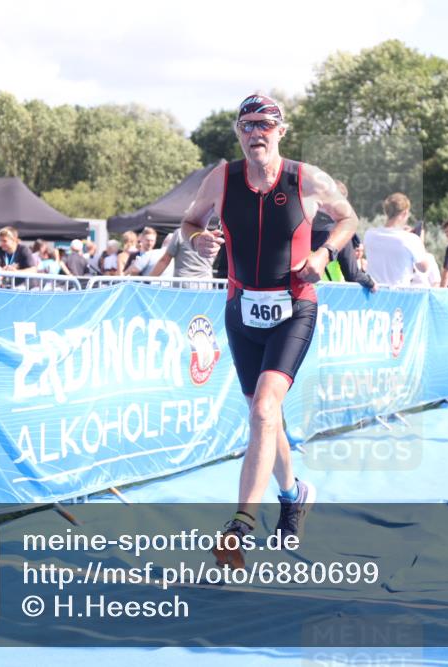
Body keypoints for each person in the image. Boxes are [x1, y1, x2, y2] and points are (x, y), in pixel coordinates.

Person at [182, 94, 358, 567]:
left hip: (295, 308)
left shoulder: (307, 178)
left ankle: (240, 522)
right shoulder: (221, 179)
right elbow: (188, 222)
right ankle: (294, 492)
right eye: (246, 126)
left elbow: (348, 218)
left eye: (264, 125)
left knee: (263, 408)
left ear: (281, 131)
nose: (254, 133)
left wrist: (324, 255)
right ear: (238, 133)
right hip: (241, 311)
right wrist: (197, 237)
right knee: (266, 415)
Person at [309, 180, 375, 290]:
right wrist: (371, 283)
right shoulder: (340, 233)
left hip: (295, 292)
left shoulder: (300, 223)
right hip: (328, 294)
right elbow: (353, 275)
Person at [364, 193, 431, 286]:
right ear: (405, 213)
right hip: (399, 295)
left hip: (373, 293)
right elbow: (424, 268)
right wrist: (420, 241)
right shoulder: (411, 239)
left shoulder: (369, 234)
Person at [149, 228, 216, 287]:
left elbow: (165, 260)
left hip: (183, 287)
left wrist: (147, 281)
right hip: (206, 285)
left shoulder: (180, 233)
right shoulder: (211, 236)